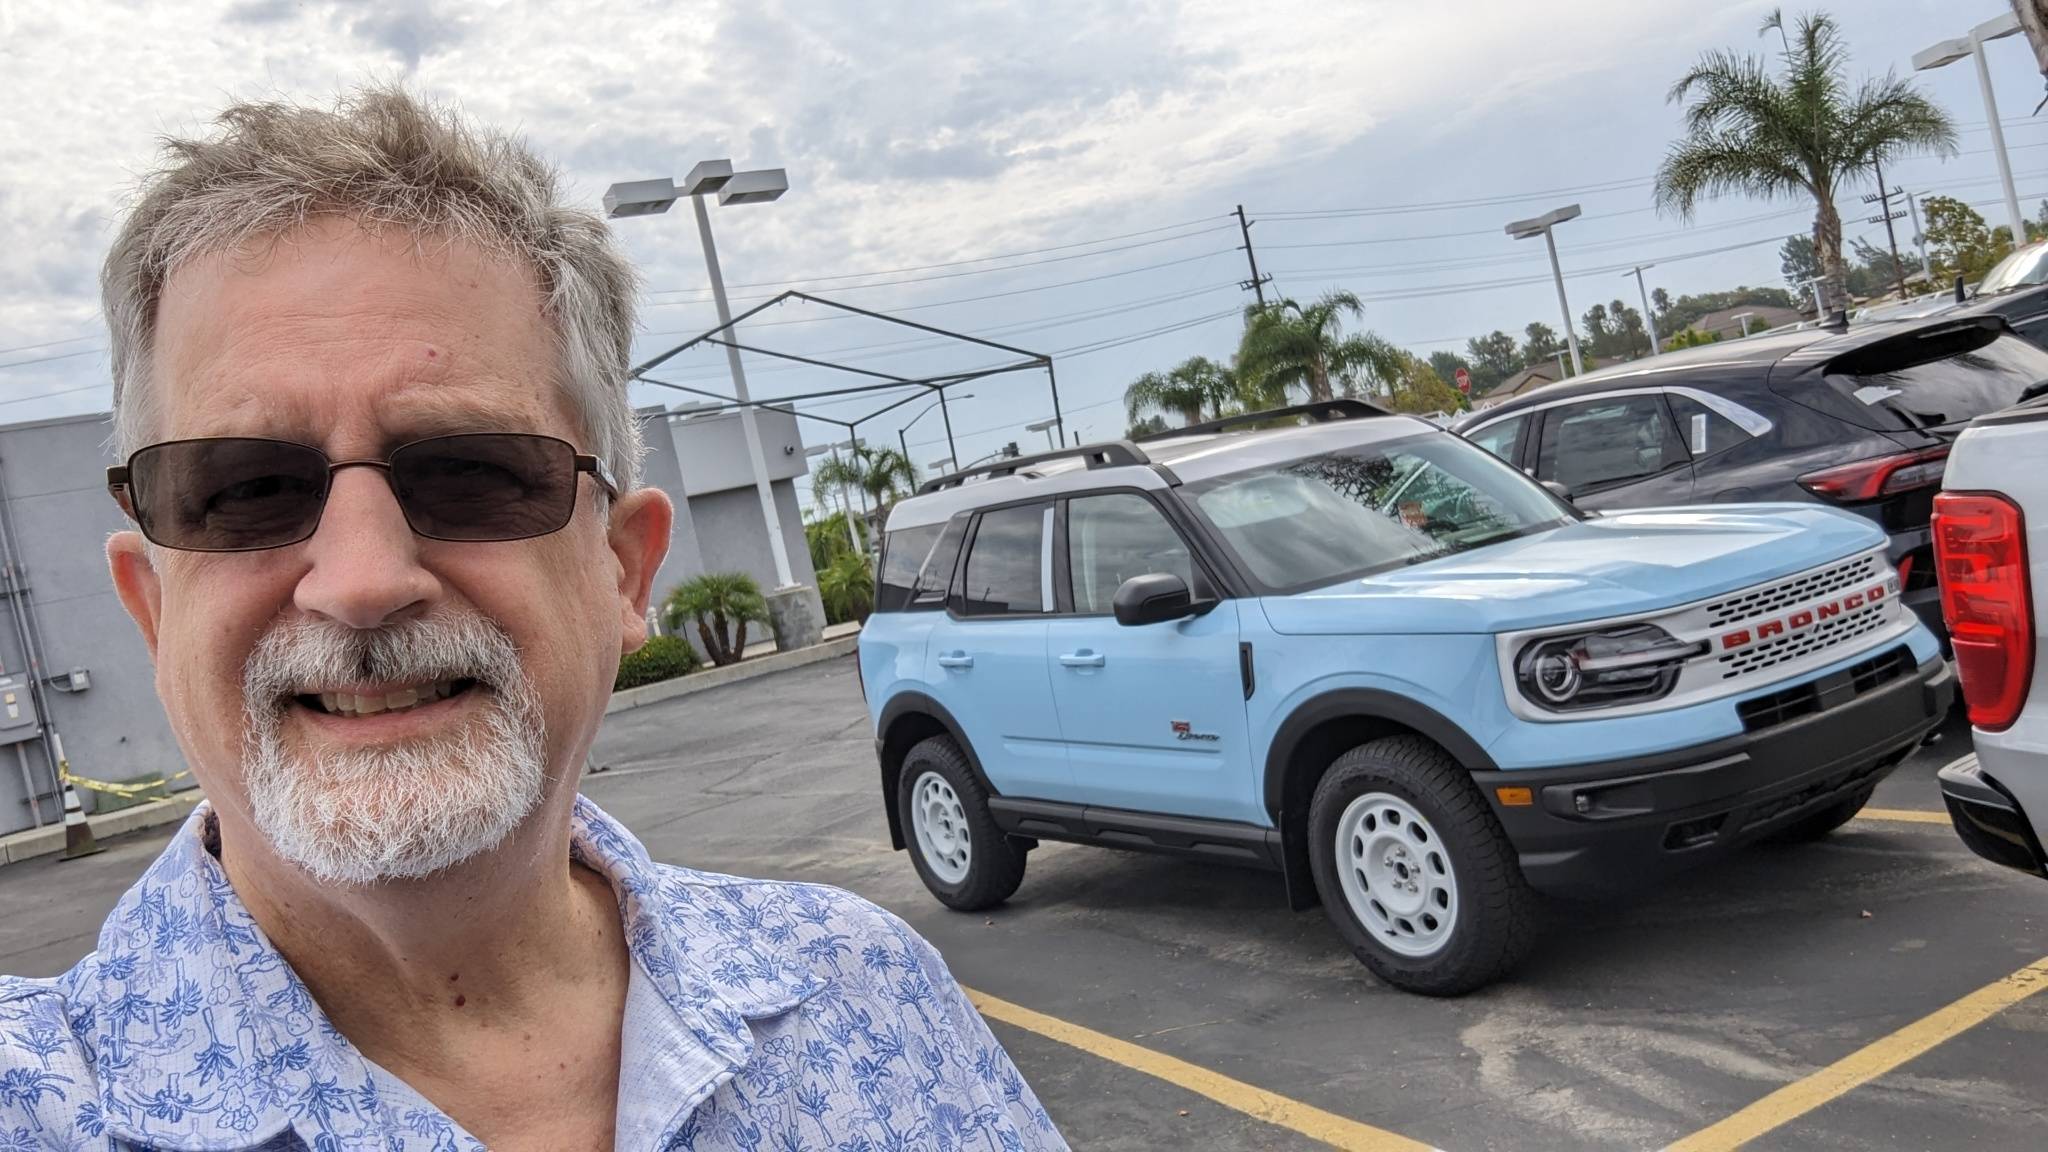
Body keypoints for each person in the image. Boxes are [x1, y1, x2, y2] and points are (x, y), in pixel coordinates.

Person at [0, 88, 1066, 1151]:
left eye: (469, 472)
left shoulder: (863, 990)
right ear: (151, 608)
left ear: (620, 570)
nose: (362, 579)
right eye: (246, 490)